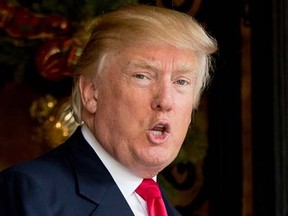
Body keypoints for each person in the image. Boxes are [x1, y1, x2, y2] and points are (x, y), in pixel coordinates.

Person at [0, 4, 217, 216]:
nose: (165, 101)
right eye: (142, 76)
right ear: (92, 93)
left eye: (181, 82)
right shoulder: (31, 191)